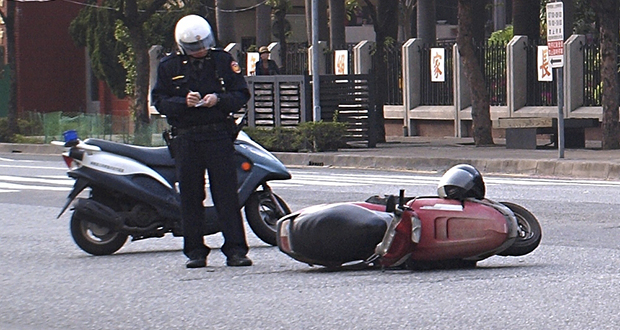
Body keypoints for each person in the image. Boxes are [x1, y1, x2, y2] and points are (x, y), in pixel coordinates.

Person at [151, 14, 252, 268]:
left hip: (218, 133)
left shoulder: (222, 61)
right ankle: (195, 251)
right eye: (194, 48)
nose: (200, 51)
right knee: (190, 196)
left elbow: (241, 93)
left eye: (203, 44)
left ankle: (236, 250)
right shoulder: (169, 66)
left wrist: (219, 99)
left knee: (226, 194)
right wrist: (182, 102)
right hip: (187, 136)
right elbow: (159, 101)